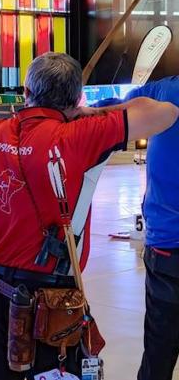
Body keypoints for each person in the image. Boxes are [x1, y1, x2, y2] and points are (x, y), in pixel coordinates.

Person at [0, 52, 179, 379]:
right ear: (75, 97)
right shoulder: (81, 134)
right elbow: (166, 112)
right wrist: (87, 112)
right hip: (54, 304)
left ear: (26, 93)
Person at [117, 76, 179, 380]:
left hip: (166, 246)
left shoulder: (165, 90)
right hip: (166, 244)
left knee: (159, 350)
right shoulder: (162, 91)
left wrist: (69, 114)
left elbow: (115, 110)